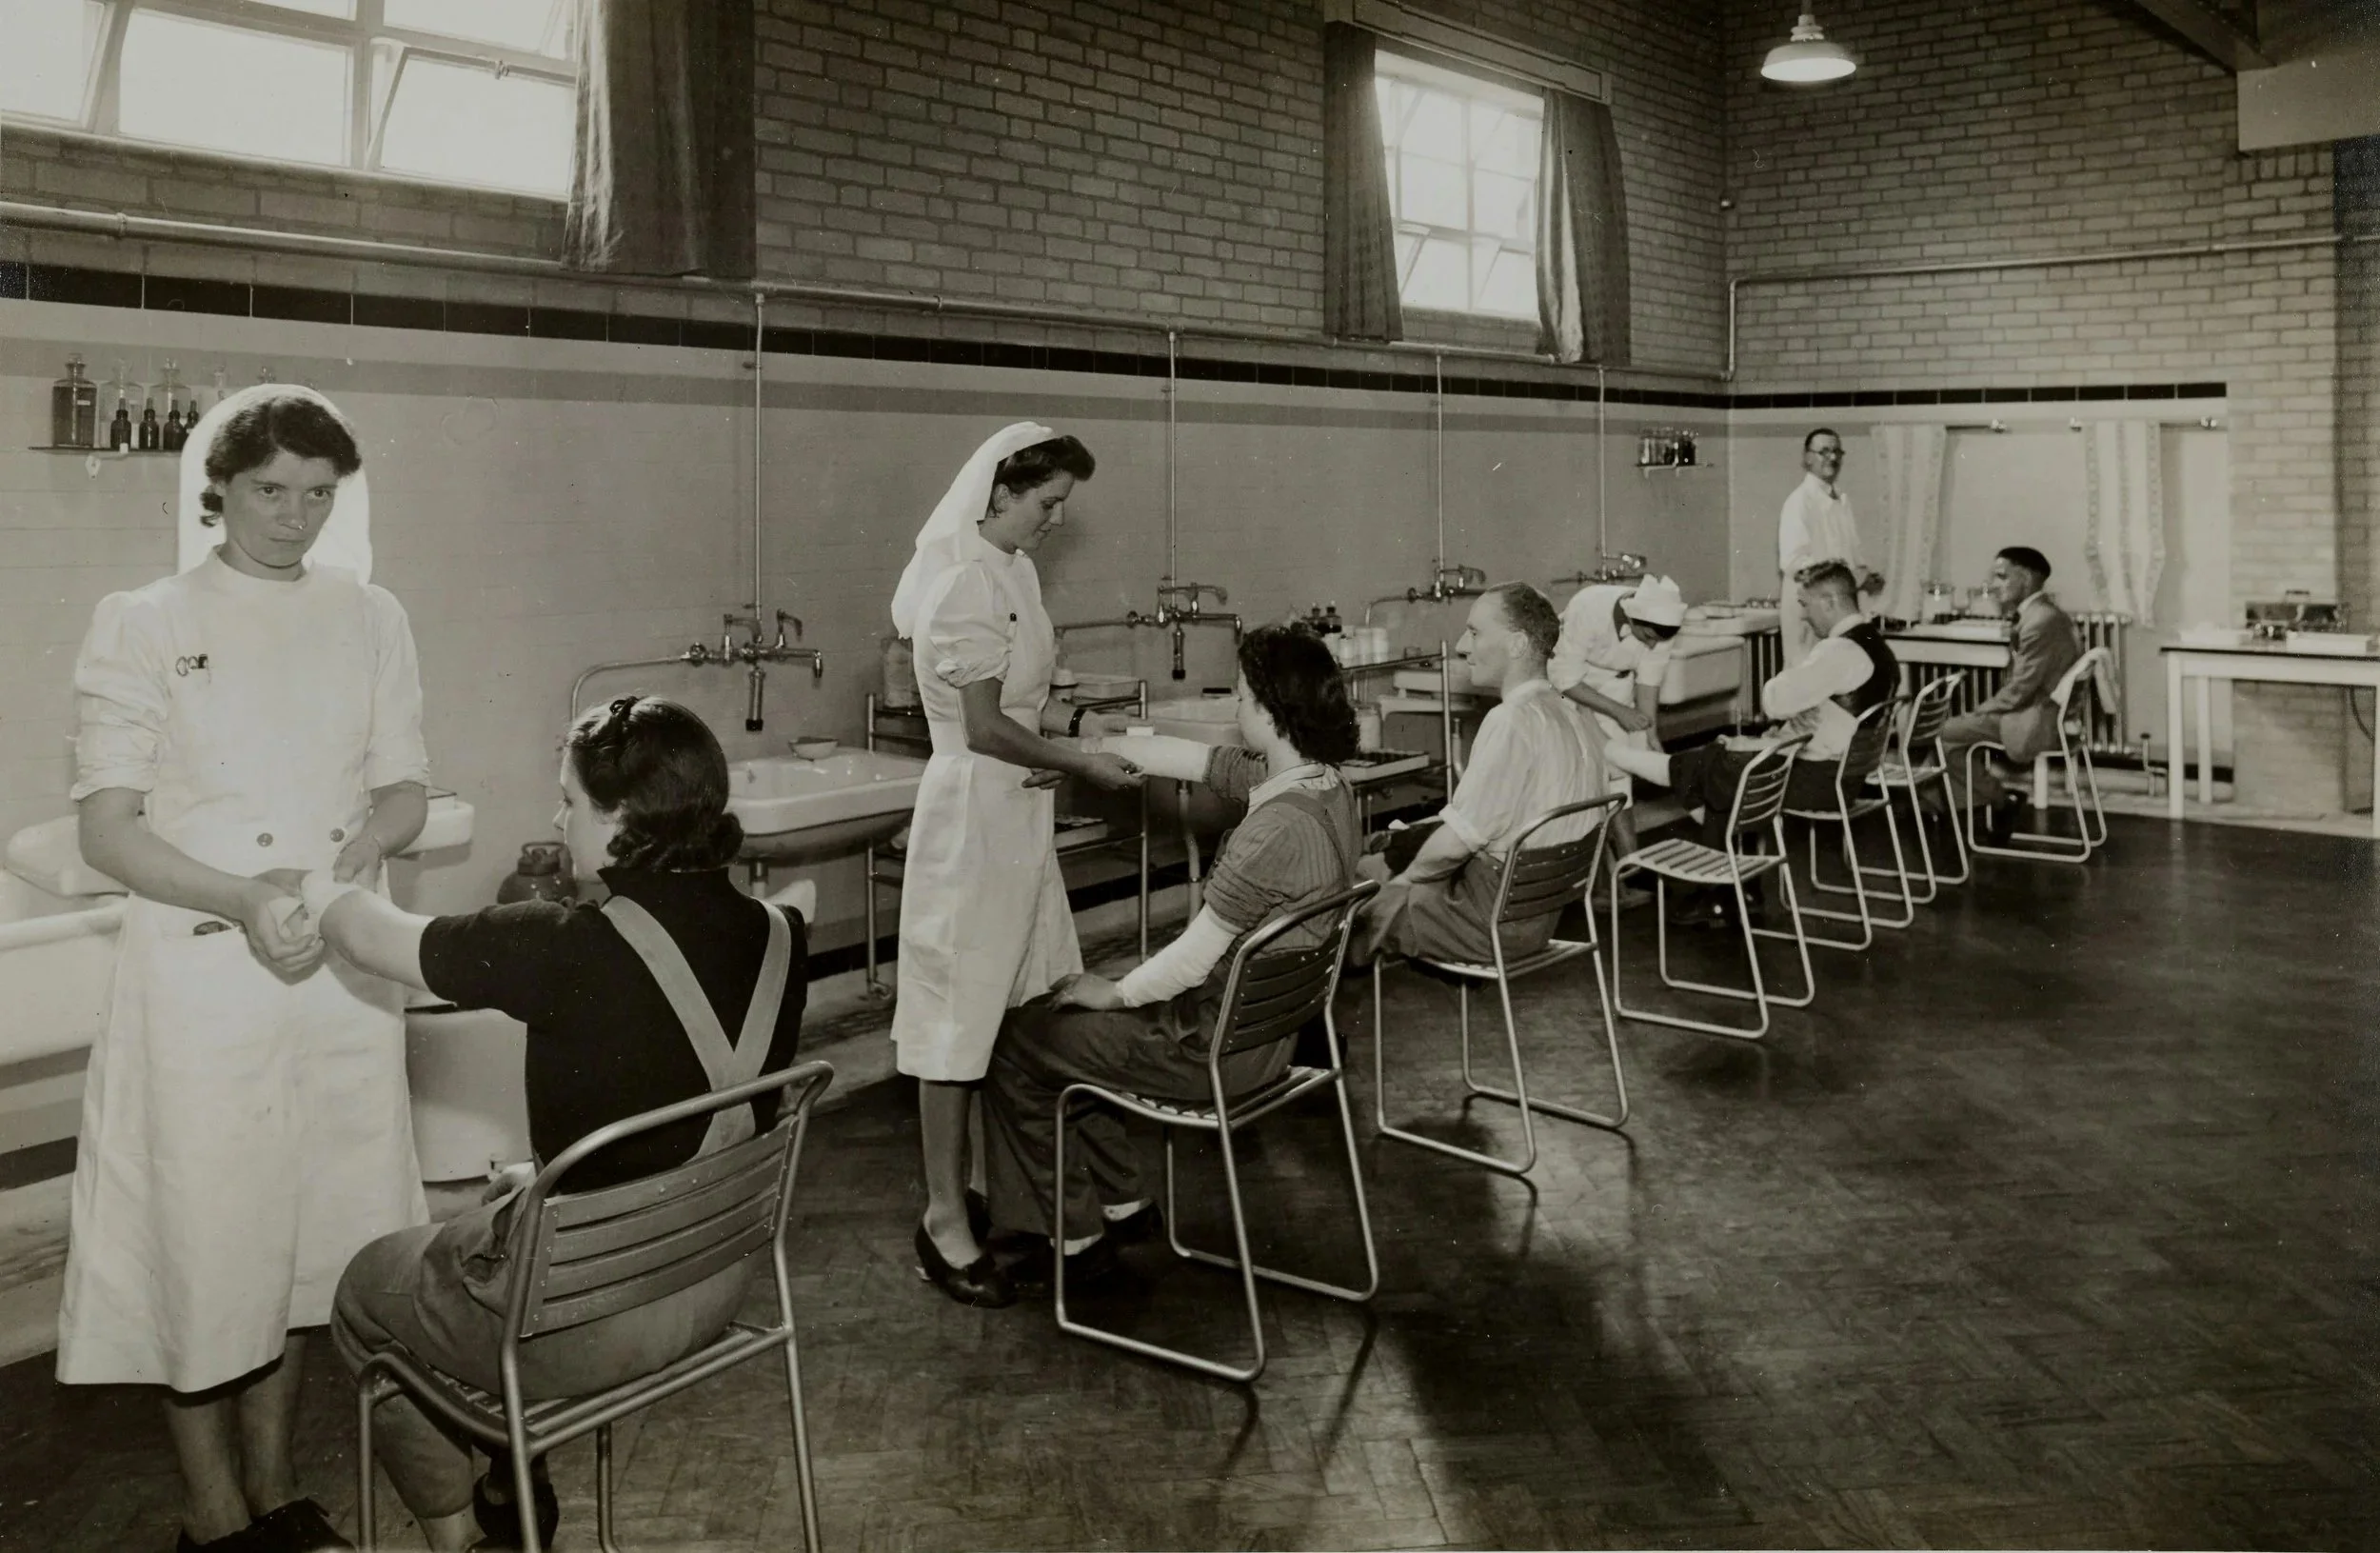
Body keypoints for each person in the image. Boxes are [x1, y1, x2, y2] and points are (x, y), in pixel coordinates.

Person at [60, 387, 427, 1553]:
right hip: (204, 971)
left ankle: (276, 1488)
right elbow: (107, 832)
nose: (296, 517)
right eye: (272, 491)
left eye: (320, 495)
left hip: (334, 971)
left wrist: (355, 859)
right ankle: (211, 1511)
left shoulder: (371, 615)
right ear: (216, 487)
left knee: (309, 1235)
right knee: (209, 1237)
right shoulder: (147, 618)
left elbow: (405, 788)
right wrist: (244, 896)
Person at [311, 696, 809, 1553]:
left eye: (570, 800)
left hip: (589, 1321)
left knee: (365, 1294)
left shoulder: (560, 944)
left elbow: (372, 935)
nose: (555, 816)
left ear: (619, 820)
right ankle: (512, 1473)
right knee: (493, 1220)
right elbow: (664, 1098)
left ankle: (462, 1538)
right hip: (719, 1283)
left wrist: (315, 887)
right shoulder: (783, 934)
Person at [980, 625, 1362, 1287]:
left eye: (1242, 697)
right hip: (1270, 1037)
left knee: (1018, 1038)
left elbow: (1190, 959)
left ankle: (1069, 1236)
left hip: (1208, 1053)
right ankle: (1124, 1203)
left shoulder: (1271, 830)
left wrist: (1115, 990)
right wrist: (1083, 751)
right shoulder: (1325, 788)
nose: (1235, 708)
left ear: (1269, 714)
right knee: (1070, 1037)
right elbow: (1196, 760)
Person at [889, 423, 1143, 1309]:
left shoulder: (1017, 574)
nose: (1055, 519)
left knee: (1031, 999)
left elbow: (1025, 710)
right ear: (999, 493)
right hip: (970, 817)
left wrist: (1074, 739)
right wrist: (1082, 764)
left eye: (1062, 504)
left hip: (1019, 812)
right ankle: (942, 1219)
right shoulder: (960, 581)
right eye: (1046, 502)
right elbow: (984, 729)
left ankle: (1037, 1193)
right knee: (955, 1027)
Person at [1609, 562, 1894, 917]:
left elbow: (1774, 700)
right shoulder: (1876, 645)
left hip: (1820, 781)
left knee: (1722, 766)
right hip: (1844, 776)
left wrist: (1799, 687)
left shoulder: (1839, 652)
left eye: (1805, 605)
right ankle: (1728, 891)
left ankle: (1622, 760)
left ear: (1829, 601)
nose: (1803, 617)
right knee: (1727, 765)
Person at [1359, 584, 1610, 965]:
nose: (1462, 644)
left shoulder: (1511, 719)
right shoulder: (1569, 713)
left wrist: (1401, 884)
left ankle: (1296, 1008)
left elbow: (1458, 843)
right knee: (1388, 854)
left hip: (1488, 924)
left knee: (1359, 884)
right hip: (1538, 915)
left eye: (1475, 632)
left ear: (1517, 645)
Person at [1934, 546, 2082, 843]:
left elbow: (2020, 690)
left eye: (2002, 577)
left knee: (1943, 733)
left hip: (2038, 721)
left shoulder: (2040, 621)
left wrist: (1978, 712)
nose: (1994, 584)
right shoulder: (2045, 615)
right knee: (1953, 730)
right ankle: (1969, 807)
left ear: (2026, 578)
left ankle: (1997, 802)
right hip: (2045, 713)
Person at [1549, 572, 1686, 856]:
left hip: (1616, 686)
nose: (1650, 645)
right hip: (1571, 688)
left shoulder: (1663, 621)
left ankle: (1629, 866)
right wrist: (1620, 713)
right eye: (1647, 637)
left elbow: (1649, 677)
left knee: (1620, 781)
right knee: (1583, 781)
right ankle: (1591, 875)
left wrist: (1649, 729)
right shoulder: (1588, 607)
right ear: (1633, 618)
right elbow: (1566, 679)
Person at [1778, 428, 1885, 663]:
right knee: (1806, 677)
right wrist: (1851, 578)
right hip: (1811, 610)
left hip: (1836, 611)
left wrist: (1864, 576)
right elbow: (1794, 563)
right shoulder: (1799, 502)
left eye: (1837, 451)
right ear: (1807, 458)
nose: (1832, 458)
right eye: (1823, 451)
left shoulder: (1840, 500)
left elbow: (1849, 555)